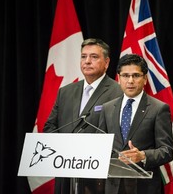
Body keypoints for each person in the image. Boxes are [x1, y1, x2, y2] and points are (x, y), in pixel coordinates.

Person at [43, 38, 123, 194]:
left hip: (98, 177)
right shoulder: (65, 91)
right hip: (66, 173)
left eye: (94, 57)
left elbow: (120, 134)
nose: (87, 61)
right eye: (83, 56)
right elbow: (50, 127)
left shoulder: (118, 92)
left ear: (106, 62)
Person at [98, 54, 173, 194]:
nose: (130, 81)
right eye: (125, 75)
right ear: (119, 78)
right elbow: (101, 145)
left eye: (136, 75)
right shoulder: (107, 108)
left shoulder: (158, 108)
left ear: (145, 79)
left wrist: (143, 155)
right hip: (112, 186)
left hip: (144, 186)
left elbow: (167, 151)